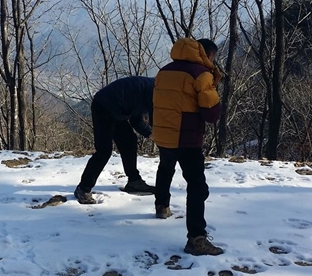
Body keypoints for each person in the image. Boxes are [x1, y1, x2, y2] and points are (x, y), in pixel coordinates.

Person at [151, 38, 223, 256]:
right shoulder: (200, 75)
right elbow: (211, 114)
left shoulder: (164, 71)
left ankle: (162, 206)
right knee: (197, 187)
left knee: (165, 168)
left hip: (164, 133)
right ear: (207, 55)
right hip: (186, 137)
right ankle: (196, 239)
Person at [74, 76, 157, 204]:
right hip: (103, 106)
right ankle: (83, 188)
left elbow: (136, 119)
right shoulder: (155, 92)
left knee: (129, 141)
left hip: (118, 109)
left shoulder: (153, 87)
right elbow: (153, 120)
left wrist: (150, 133)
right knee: (104, 151)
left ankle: (134, 181)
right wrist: (155, 133)